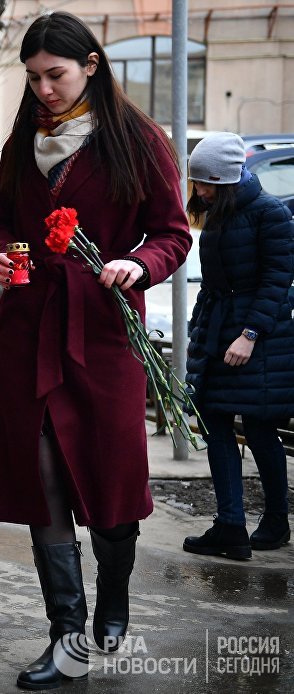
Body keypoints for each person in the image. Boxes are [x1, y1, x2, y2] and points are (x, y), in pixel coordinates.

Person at [0, 12, 192, 690]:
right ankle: (67, 637)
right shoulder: (21, 144)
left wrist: (137, 264)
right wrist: (1, 259)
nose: (43, 89)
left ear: (91, 66)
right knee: (41, 486)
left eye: (56, 75)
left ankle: (116, 604)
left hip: (103, 337)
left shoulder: (138, 140)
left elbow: (172, 234)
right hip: (28, 333)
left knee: (109, 488)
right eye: (34, 77)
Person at [182, 132, 294, 560]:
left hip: (259, 339)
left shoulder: (271, 214)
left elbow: (276, 282)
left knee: (262, 427)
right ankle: (230, 524)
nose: (200, 191)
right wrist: (201, 329)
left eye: (207, 183)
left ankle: (276, 519)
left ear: (229, 179)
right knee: (214, 421)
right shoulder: (219, 214)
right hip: (218, 332)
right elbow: (215, 283)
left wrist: (249, 335)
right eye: (197, 182)